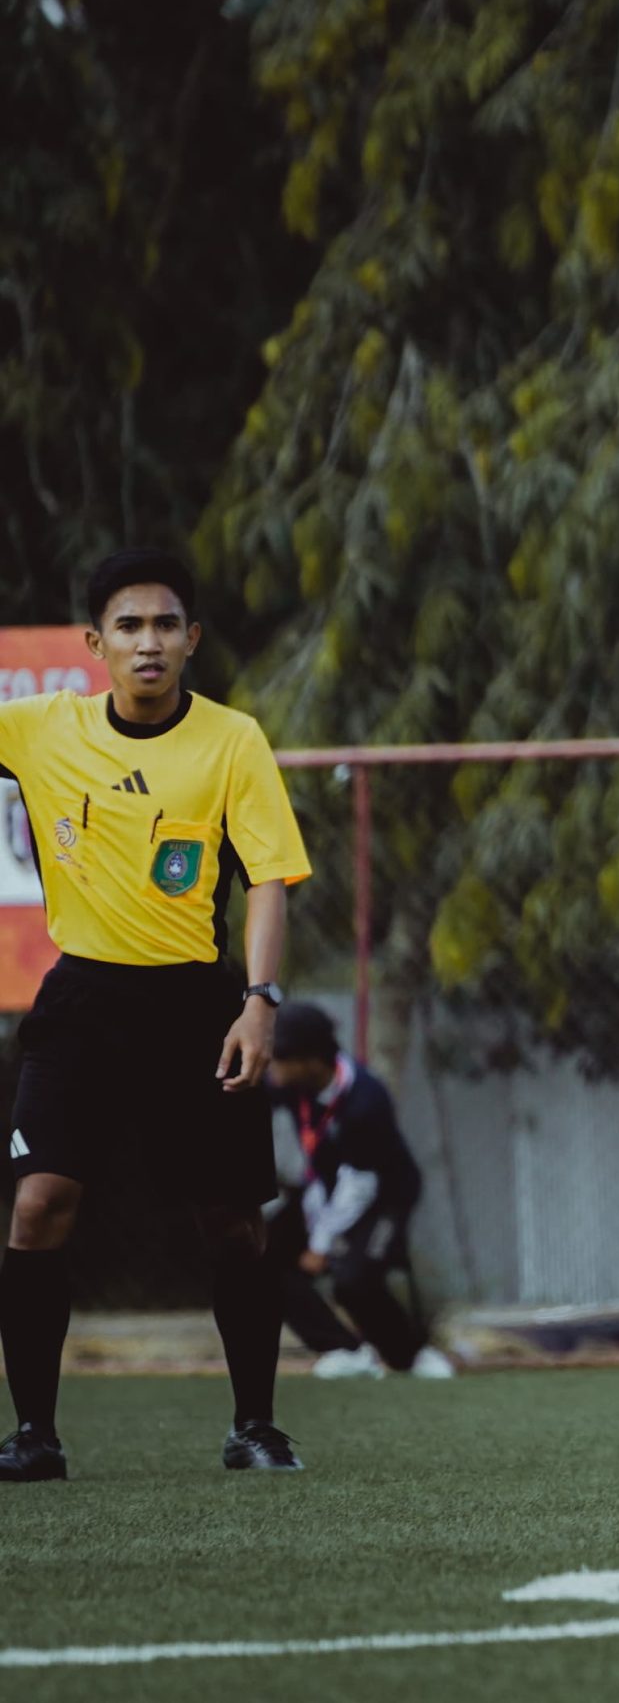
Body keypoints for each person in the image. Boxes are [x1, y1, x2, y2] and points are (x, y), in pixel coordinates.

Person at [0, 548, 313, 1481]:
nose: (148, 642)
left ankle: (254, 1427)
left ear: (192, 641)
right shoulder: (38, 728)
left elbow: (266, 878)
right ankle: (34, 1437)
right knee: (38, 1206)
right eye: (128, 626)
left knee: (234, 1223)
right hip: (83, 997)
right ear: (95, 643)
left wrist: (258, 1003)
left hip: (196, 1004)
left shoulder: (232, 740)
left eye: (165, 625)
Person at [265, 1002, 452, 1379]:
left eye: (281, 1058)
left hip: (382, 1195)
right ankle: (343, 1349)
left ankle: (409, 1356)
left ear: (312, 1060)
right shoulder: (290, 1086)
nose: (274, 1068)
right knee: (259, 1258)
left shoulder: (365, 1100)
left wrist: (320, 1245)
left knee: (353, 1279)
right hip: (327, 1190)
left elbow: (360, 1185)